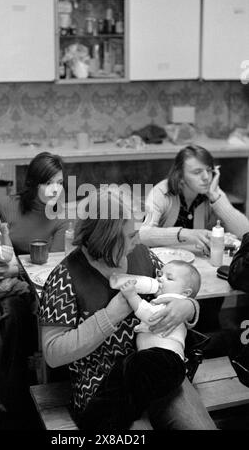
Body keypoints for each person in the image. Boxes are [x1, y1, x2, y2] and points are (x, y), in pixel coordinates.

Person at [39, 187, 216, 430]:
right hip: (102, 386)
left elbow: (180, 287)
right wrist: (111, 315)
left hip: (155, 371)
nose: (138, 239)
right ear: (105, 239)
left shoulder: (142, 256)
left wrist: (188, 307)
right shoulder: (65, 278)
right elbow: (52, 353)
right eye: (131, 235)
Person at [0, 152, 68, 413]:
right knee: (16, 316)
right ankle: (12, 390)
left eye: (59, 182)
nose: (55, 189)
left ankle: (50, 384)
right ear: (34, 183)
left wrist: (13, 269)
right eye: (48, 182)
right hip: (6, 284)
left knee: (47, 317)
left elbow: (51, 265)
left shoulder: (60, 215)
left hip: (37, 281)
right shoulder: (6, 206)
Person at [139, 144, 249, 333]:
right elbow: (142, 234)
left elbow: (245, 232)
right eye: (197, 172)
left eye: (208, 170)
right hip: (165, 270)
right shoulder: (162, 192)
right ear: (180, 176)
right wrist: (184, 234)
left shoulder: (210, 191)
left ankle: (206, 334)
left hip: (198, 268)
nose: (206, 177)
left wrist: (215, 197)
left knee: (212, 301)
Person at [111, 260, 200, 412]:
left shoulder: (171, 302)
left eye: (169, 278)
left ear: (185, 293)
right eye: (160, 274)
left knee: (130, 370)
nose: (160, 278)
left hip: (164, 359)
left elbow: (149, 315)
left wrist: (132, 295)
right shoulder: (170, 301)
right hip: (161, 363)